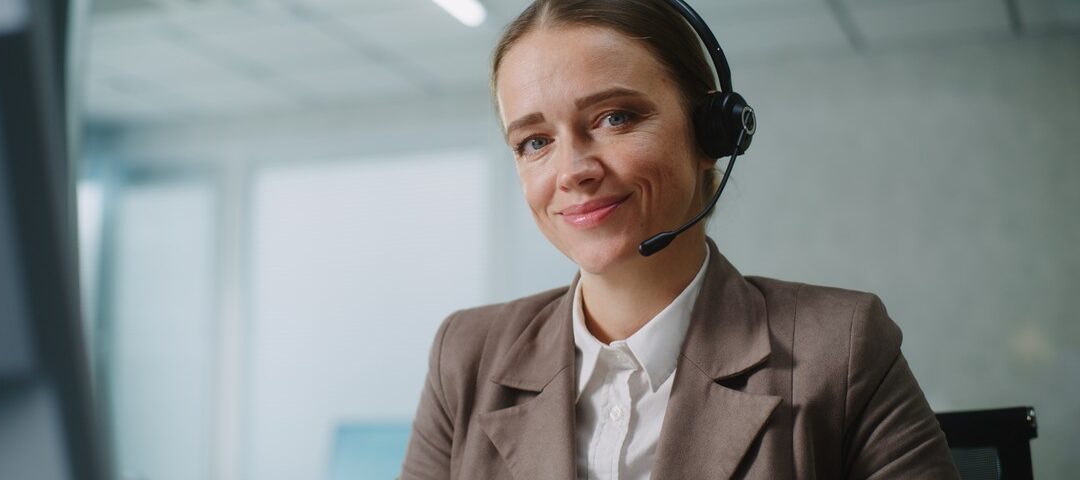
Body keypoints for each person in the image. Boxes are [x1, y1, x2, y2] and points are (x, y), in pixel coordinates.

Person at [401, 0, 960, 478]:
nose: (572, 170)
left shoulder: (840, 347)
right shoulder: (465, 356)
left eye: (615, 117)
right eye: (534, 142)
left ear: (710, 133)